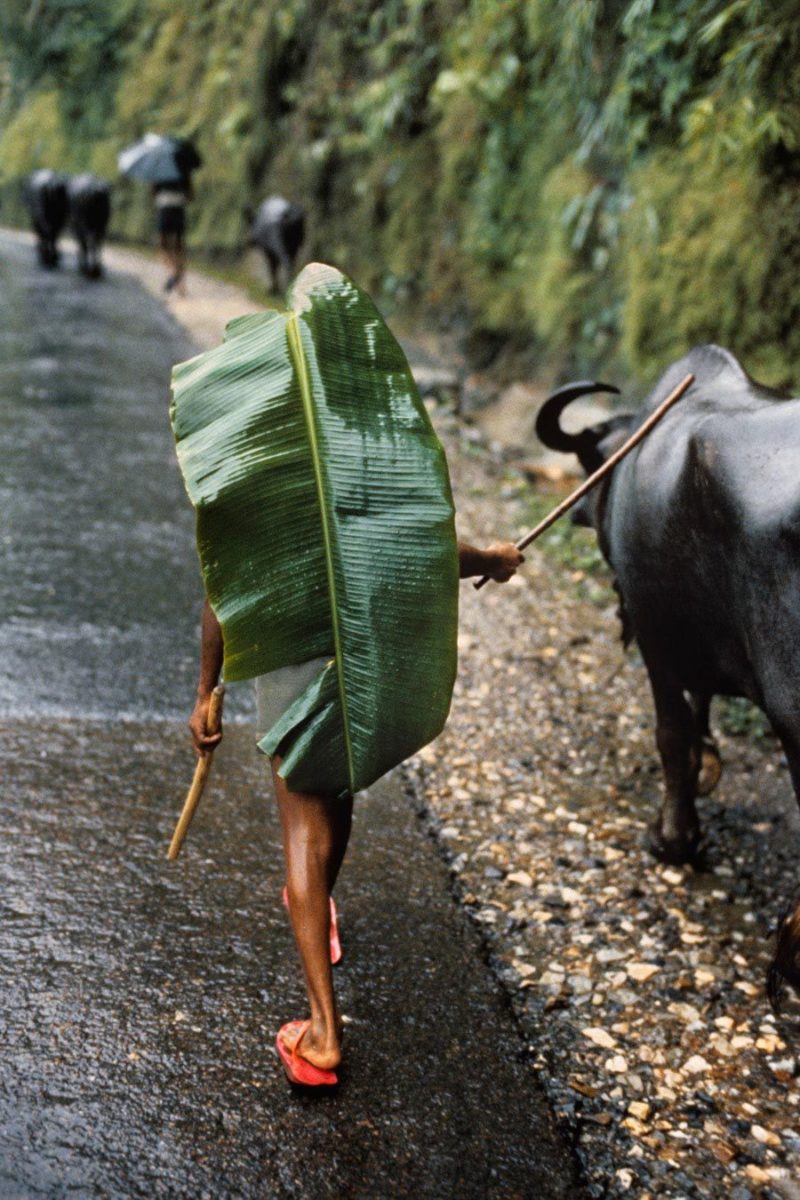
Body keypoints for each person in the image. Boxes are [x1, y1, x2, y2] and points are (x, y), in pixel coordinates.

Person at [189, 538, 523, 1086]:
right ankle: (317, 900)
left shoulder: (257, 466)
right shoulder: (360, 456)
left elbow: (220, 590)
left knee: (302, 832)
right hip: (365, 664)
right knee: (336, 799)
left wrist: (206, 689)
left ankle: (322, 1035)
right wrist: (491, 559)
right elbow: (419, 545)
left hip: (293, 664)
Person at [153, 172, 192, 294]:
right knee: (179, 247)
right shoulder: (183, 170)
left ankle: (173, 273)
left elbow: (153, 192)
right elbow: (191, 195)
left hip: (164, 209)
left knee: (163, 245)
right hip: (179, 209)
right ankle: (181, 285)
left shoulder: (159, 171)